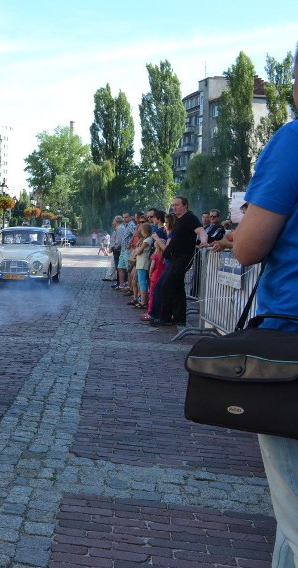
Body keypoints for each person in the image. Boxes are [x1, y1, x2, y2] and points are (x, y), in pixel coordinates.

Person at [232, 50, 298, 567]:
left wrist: (242, 231)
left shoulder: (293, 141)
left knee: (295, 515)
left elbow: (249, 247)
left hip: (291, 338)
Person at [150, 195, 207, 327]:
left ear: (185, 205)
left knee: (167, 285)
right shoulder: (179, 220)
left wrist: (204, 241)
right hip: (175, 257)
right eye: (173, 205)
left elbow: (201, 231)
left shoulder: (190, 218)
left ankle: (165, 317)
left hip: (183, 257)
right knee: (177, 287)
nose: (174, 207)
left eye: (177, 205)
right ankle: (179, 318)